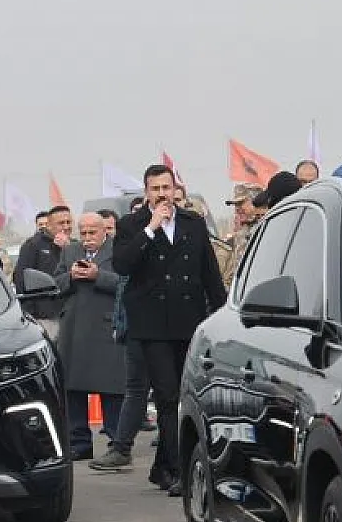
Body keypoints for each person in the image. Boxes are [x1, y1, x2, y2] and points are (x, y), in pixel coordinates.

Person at [103, 164, 228, 492]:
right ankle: (177, 470)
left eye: (166, 188)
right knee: (167, 395)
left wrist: (222, 316)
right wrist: (151, 228)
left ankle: (162, 468)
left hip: (188, 321)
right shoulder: (132, 225)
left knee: (186, 395)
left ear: (175, 189)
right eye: (155, 189)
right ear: (146, 192)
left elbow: (210, 275)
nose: (162, 194)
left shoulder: (193, 224)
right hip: (152, 325)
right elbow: (122, 265)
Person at [54, 212, 126, 461]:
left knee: (111, 386)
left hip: (106, 326)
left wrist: (99, 276)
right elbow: (54, 284)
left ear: (104, 230)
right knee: (73, 386)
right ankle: (79, 441)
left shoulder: (118, 250)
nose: (87, 238)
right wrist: (71, 277)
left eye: (91, 232)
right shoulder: (70, 252)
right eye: (83, 233)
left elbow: (126, 283)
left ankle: (117, 440)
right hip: (74, 327)